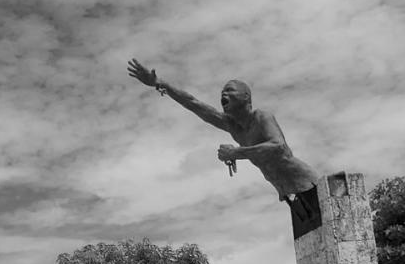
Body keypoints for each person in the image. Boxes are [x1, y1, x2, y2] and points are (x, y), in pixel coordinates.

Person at [127, 59, 321, 219]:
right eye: (222, 92)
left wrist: (237, 152)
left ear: (246, 97)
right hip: (290, 194)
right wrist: (159, 83)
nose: (223, 94)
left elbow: (279, 148)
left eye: (229, 90)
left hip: (309, 185)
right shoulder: (233, 126)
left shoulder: (261, 117)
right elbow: (195, 104)